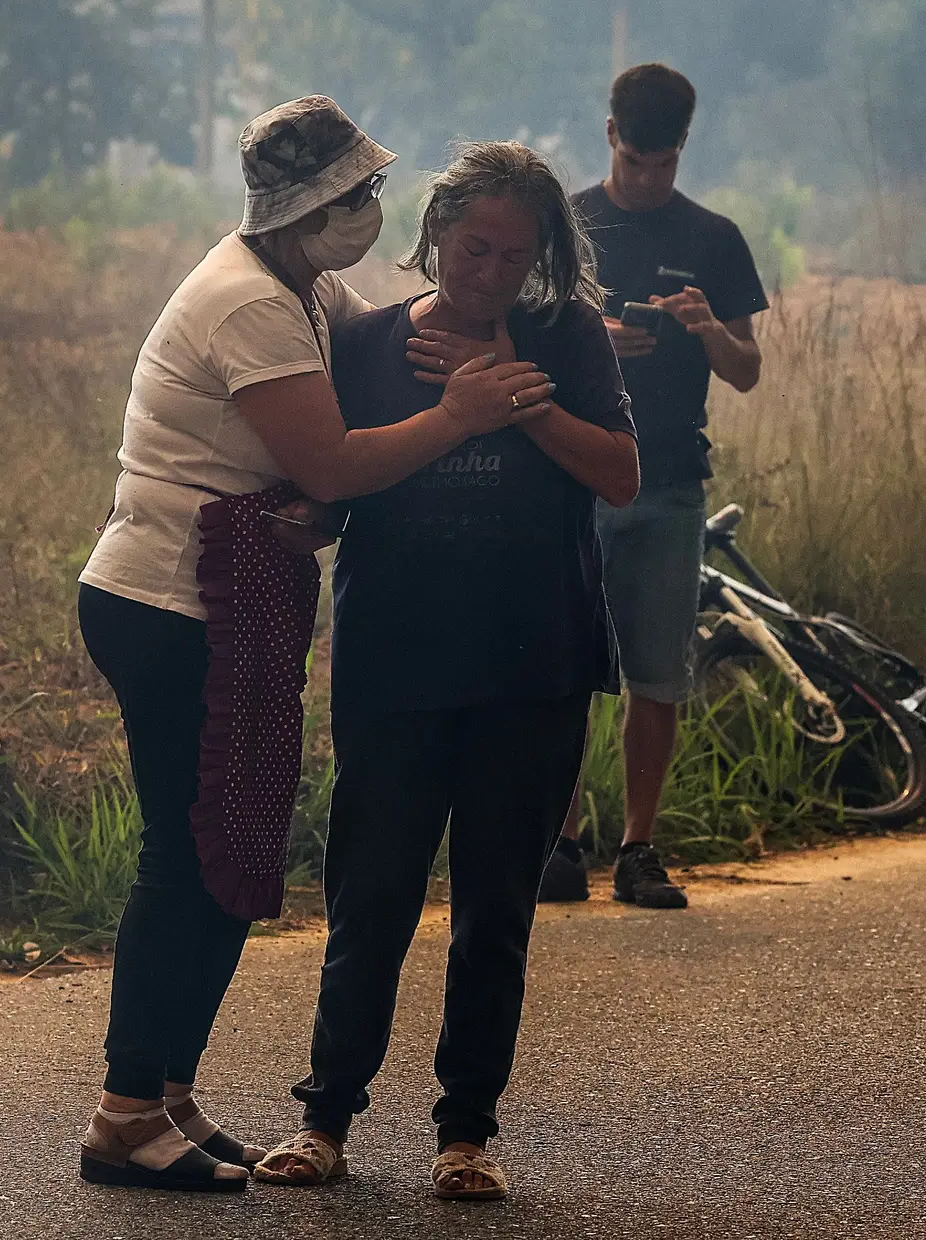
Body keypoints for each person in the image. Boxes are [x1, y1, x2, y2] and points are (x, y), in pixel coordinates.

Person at [72, 96, 542, 1194]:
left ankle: (169, 1093)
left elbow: (342, 411)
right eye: (354, 195)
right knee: (183, 856)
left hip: (221, 594)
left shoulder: (303, 287)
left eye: (374, 191)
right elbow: (329, 463)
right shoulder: (248, 304)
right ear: (306, 205)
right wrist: (460, 416)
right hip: (169, 601)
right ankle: (124, 1110)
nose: (370, 211)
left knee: (229, 848)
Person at [252, 142, 638, 1202]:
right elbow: (334, 480)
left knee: (494, 909)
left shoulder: (568, 338)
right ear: (435, 238)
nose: (490, 273)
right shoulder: (366, 342)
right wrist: (301, 517)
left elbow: (619, 472)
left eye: (516, 255)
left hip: (537, 665)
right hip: (396, 662)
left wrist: (519, 404)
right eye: (474, 248)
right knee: (369, 896)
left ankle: (465, 1133)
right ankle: (324, 1117)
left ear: (543, 256)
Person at [543, 63, 769, 909]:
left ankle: (639, 849)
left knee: (656, 674)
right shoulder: (565, 223)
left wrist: (710, 327)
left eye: (662, 164)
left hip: (671, 483)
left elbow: (746, 371)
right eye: (635, 161)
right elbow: (518, 342)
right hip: (575, 479)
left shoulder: (714, 238)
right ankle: (558, 843)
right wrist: (593, 337)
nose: (645, 179)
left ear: (681, 151)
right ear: (609, 137)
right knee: (566, 668)